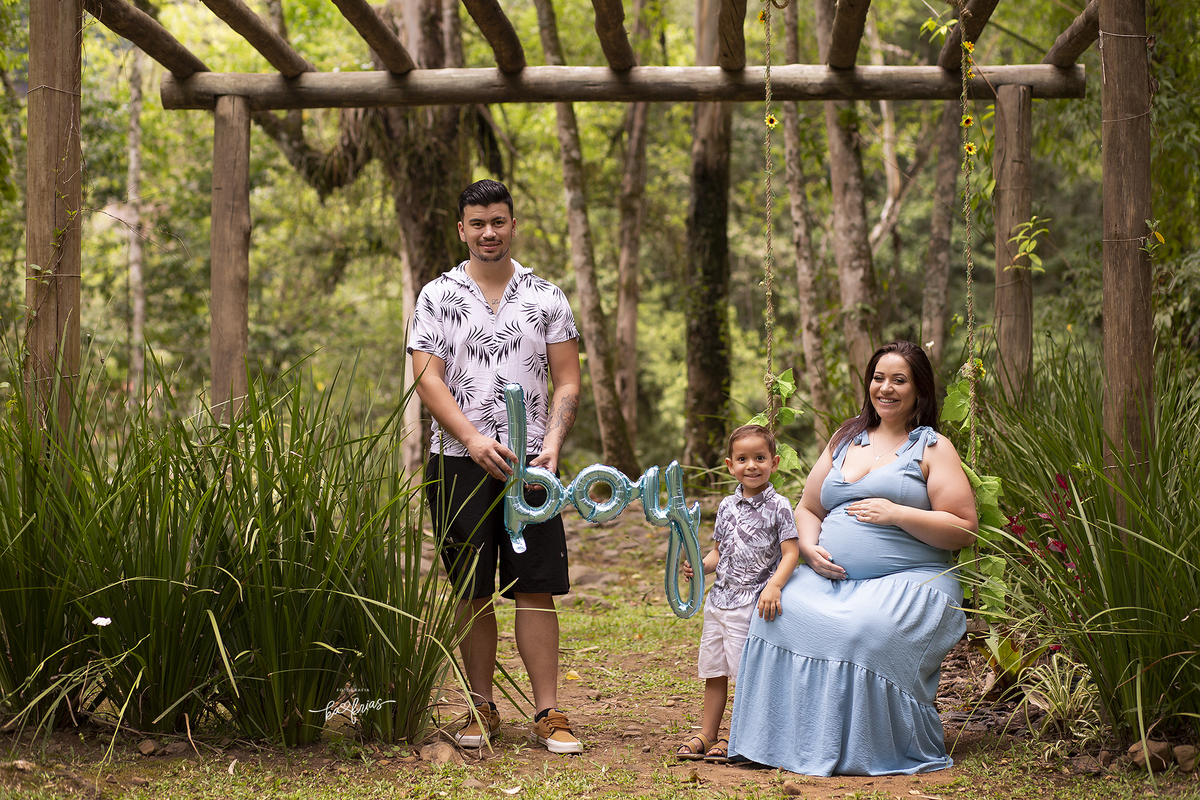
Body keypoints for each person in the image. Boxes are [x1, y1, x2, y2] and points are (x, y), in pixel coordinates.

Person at [728, 341, 978, 775]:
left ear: (919, 390)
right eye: (879, 377)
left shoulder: (932, 447)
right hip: (833, 578)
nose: (886, 388)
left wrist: (898, 513)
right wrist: (808, 546)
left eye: (899, 380)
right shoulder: (847, 438)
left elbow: (964, 526)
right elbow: (808, 508)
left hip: (913, 576)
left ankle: (864, 748)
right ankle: (776, 740)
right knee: (777, 612)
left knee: (860, 631)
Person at [408, 179, 584, 754]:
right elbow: (427, 378)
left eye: (498, 221)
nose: (489, 232)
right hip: (458, 461)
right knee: (471, 587)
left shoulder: (547, 297)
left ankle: (548, 712)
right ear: (461, 229)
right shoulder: (437, 295)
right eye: (477, 223)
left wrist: (553, 444)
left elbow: (569, 380)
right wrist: (473, 439)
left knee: (537, 588)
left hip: (532, 465)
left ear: (513, 224)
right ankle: (480, 708)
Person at [675, 424, 800, 762]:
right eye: (743, 459)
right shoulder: (728, 506)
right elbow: (721, 551)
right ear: (731, 465)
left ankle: (738, 734)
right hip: (719, 600)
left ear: (774, 463)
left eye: (760, 458)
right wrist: (702, 566)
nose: (752, 466)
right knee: (715, 670)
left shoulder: (780, 506)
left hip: (753, 601)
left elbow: (791, 553)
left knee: (744, 672)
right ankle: (708, 731)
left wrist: (774, 586)